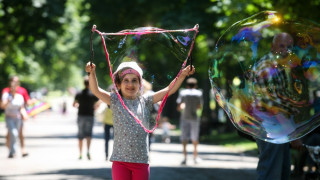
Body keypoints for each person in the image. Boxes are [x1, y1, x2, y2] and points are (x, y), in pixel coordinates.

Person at [85, 61, 195, 180]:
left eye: (134, 80)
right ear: (118, 84)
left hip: (141, 161)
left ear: (140, 84)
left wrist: (183, 74)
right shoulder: (115, 100)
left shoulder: (146, 100)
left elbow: (169, 89)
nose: (130, 84)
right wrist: (92, 73)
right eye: (125, 80)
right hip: (120, 161)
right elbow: (96, 90)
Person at [254, 33, 304, 180]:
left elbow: (281, 100)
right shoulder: (266, 67)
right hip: (270, 126)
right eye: (281, 46)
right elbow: (273, 107)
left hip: (279, 127)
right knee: (271, 173)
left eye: (289, 47)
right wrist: (293, 134)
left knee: (283, 173)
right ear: (272, 46)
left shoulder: (280, 67)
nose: (285, 50)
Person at [1, 75, 29, 158]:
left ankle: (22, 150)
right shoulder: (6, 91)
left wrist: (24, 114)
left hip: (18, 117)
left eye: (16, 81)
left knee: (19, 133)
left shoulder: (22, 91)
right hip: (9, 116)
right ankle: (11, 150)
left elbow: (25, 104)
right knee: (11, 133)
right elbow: (2, 105)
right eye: (13, 81)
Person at [176, 77, 203, 165]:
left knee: (184, 138)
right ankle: (195, 157)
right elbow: (199, 106)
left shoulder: (183, 92)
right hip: (194, 117)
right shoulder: (199, 93)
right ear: (195, 85)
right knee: (195, 137)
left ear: (187, 85)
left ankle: (185, 157)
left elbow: (179, 106)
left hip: (184, 117)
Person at [73, 76, 99, 160]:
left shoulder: (79, 93)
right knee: (88, 135)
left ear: (83, 83)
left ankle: (80, 154)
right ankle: (88, 151)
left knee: (80, 135)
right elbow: (98, 103)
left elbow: (74, 104)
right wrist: (95, 107)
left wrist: (78, 106)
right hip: (90, 116)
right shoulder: (93, 94)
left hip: (81, 116)